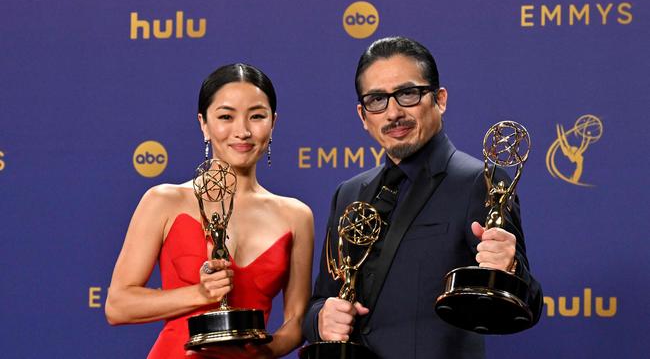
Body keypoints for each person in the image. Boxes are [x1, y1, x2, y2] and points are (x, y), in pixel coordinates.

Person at [302, 37, 543, 358]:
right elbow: (320, 300)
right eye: (377, 100)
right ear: (363, 115)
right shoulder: (348, 193)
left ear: (439, 99)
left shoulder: (479, 182)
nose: (393, 112)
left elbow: (530, 305)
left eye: (407, 94)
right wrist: (321, 318)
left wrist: (508, 268)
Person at [105, 63, 314, 358]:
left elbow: (296, 322)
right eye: (226, 117)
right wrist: (199, 294)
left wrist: (260, 353)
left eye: (256, 116)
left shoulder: (297, 216)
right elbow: (118, 305)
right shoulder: (163, 201)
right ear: (204, 124)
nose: (242, 131)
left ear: (273, 122)